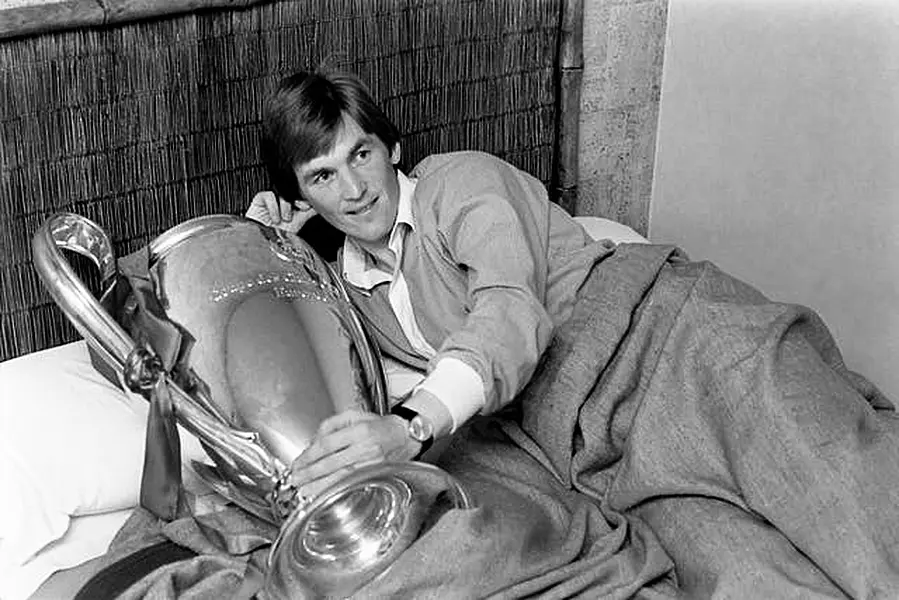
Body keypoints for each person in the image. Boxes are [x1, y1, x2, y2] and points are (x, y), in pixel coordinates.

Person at [246, 69, 899, 598]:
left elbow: (508, 311)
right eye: (323, 175)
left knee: (850, 505)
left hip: (668, 343)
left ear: (390, 148)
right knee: (743, 575)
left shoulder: (460, 183)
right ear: (303, 196)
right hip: (591, 451)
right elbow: (313, 374)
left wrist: (413, 426)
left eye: (360, 154)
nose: (355, 188)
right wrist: (264, 248)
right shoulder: (352, 293)